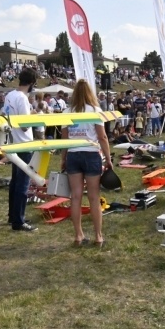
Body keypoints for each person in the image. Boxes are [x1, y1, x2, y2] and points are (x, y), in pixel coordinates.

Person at [60, 79, 113, 246]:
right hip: (91, 154)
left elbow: (64, 139)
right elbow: (102, 137)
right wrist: (108, 158)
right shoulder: (95, 111)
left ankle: (78, 235)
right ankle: (98, 236)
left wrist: (63, 158)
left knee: (75, 197)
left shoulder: (67, 112)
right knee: (94, 197)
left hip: (73, 154)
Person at [2, 68, 38, 232]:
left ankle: (14, 216)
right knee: (23, 183)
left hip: (13, 142)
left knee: (16, 182)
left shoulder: (10, 95)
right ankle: (18, 220)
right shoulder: (23, 99)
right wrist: (32, 115)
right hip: (24, 143)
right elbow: (24, 126)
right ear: (31, 83)